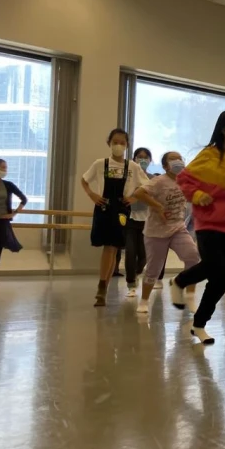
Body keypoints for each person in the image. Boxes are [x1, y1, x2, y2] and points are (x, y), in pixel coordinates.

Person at [170, 109, 225, 345]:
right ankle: (180, 281)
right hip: (208, 222)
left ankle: (199, 324)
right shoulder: (208, 156)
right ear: (224, 128)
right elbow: (184, 180)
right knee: (212, 265)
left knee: (220, 281)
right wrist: (198, 194)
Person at [82, 128, 148, 307]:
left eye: (122, 142)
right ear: (109, 143)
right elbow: (84, 180)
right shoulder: (100, 163)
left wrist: (133, 197)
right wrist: (92, 195)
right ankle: (103, 286)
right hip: (103, 207)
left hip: (121, 209)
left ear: (127, 145)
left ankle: (102, 287)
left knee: (112, 248)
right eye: (115, 142)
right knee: (109, 248)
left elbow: (147, 186)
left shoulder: (132, 167)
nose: (118, 145)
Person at [131, 151, 200, 314]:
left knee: (193, 257)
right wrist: (158, 206)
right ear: (164, 166)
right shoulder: (158, 181)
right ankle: (144, 301)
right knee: (154, 268)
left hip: (178, 228)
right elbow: (138, 193)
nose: (177, 161)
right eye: (173, 159)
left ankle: (189, 296)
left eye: (179, 158)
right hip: (156, 231)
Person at [124, 147, 152, 297]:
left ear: (150, 160)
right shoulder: (128, 179)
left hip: (147, 221)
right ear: (133, 160)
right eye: (139, 157)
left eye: (145, 157)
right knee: (130, 251)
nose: (142, 160)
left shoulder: (153, 179)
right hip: (130, 220)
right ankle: (131, 283)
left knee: (144, 255)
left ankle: (137, 272)